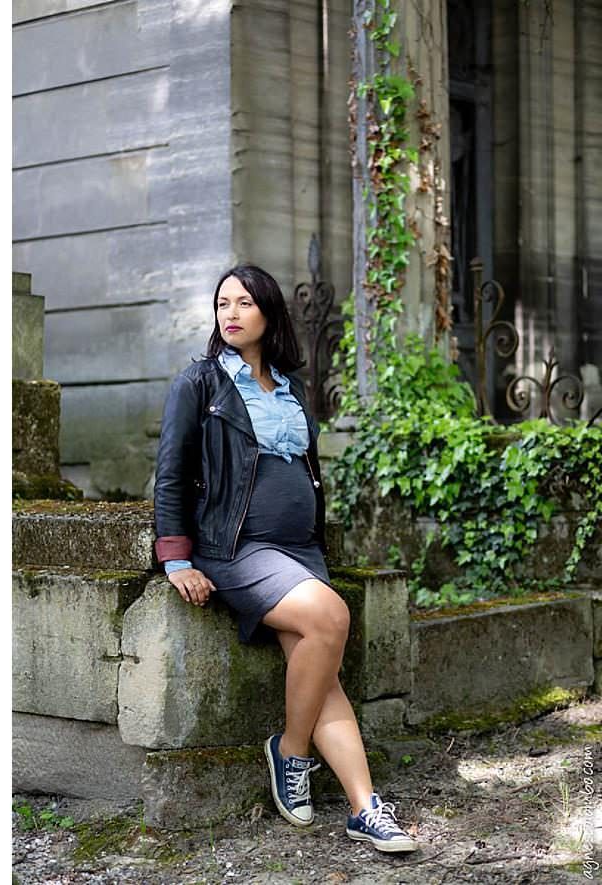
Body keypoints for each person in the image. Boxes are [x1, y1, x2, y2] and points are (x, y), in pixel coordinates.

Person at [152, 264, 417, 854]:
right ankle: (290, 752)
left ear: (268, 313)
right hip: (236, 548)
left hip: (300, 551)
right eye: (223, 303)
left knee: (322, 677)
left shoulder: (292, 389)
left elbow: (305, 473)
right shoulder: (199, 383)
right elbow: (170, 474)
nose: (231, 312)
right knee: (332, 618)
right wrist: (177, 559)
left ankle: (364, 808)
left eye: (244, 302)